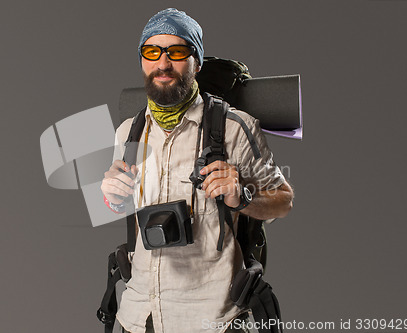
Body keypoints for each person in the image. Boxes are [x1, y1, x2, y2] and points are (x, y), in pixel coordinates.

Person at [100, 8, 294, 333]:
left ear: (196, 62)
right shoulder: (127, 133)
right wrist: (112, 198)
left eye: (177, 52)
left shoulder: (234, 128)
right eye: (152, 52)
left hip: (210, 319)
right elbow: (126, 207)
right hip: (140, 315)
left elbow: (283, 201)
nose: (162, 64)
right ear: (142, 61)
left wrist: (242, 196)